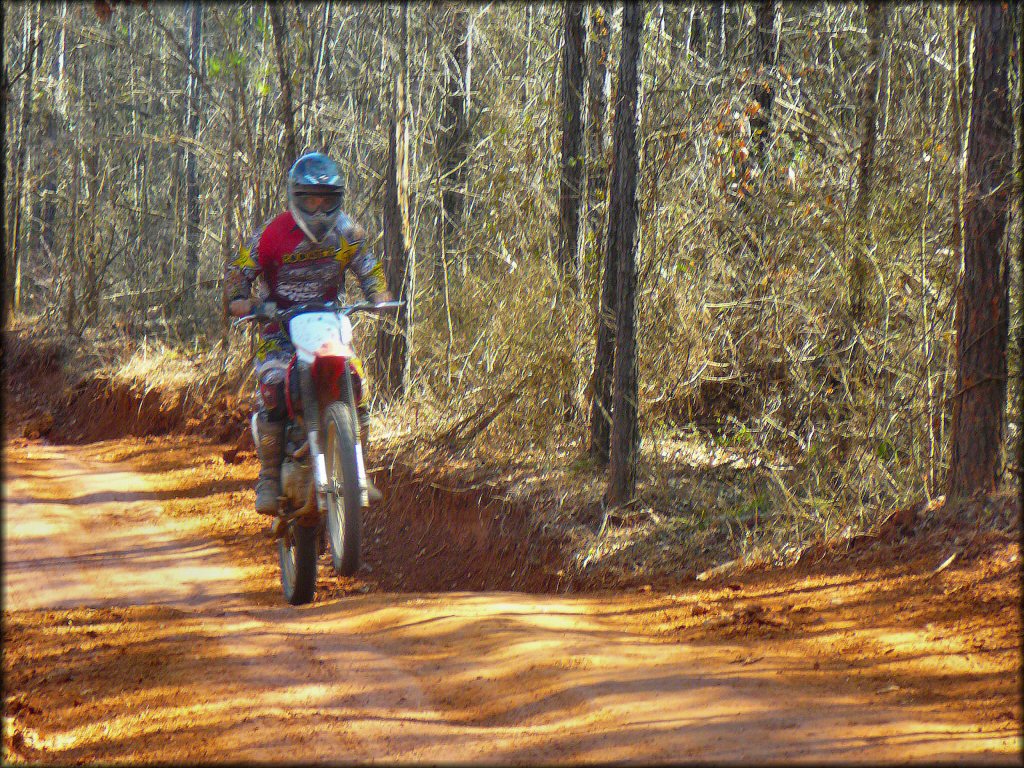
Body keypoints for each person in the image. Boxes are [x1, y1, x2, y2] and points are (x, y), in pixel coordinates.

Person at [224, 152, 391, 515]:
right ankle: (268, 476)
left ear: (338, 199)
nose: (319, 210)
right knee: (272, 387)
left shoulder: (347, 232)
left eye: (326, 200)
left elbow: (369, 269)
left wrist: (379, 297)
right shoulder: (270, 235)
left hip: (329, 322)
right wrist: (246, 303)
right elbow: (238, 275)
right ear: (295, 197)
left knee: (356, 382)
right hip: (280, 327)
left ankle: (358, 470)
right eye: (311, 200)